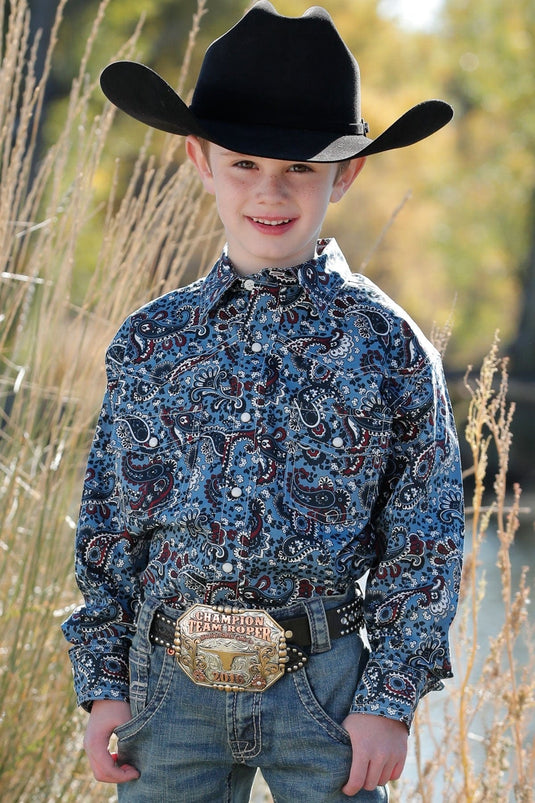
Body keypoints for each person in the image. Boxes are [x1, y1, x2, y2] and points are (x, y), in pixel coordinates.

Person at [62, 3, 464, 801]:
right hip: (164, 686)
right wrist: (103, 679)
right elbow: (109, 525)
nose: (269, 192)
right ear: (199, 159)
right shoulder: (150, 341)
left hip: (322, 688)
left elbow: (423, 536)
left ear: (343, 175)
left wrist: (388, 699)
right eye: (243, 164)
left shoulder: (386, 346)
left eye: (300, 169)